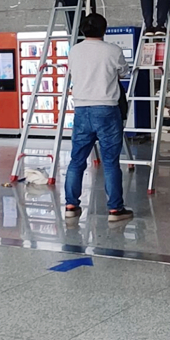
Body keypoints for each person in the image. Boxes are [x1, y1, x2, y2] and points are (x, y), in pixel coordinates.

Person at [64, 13, 133, 223]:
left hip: (81, 109)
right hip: (107, 109)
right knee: (110, 162)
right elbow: (123, 72)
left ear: (82, 30)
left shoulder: (74, 50)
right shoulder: (113, 50)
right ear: (104, 29)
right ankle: (115, 209)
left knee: (77, 160)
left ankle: (71, 206)